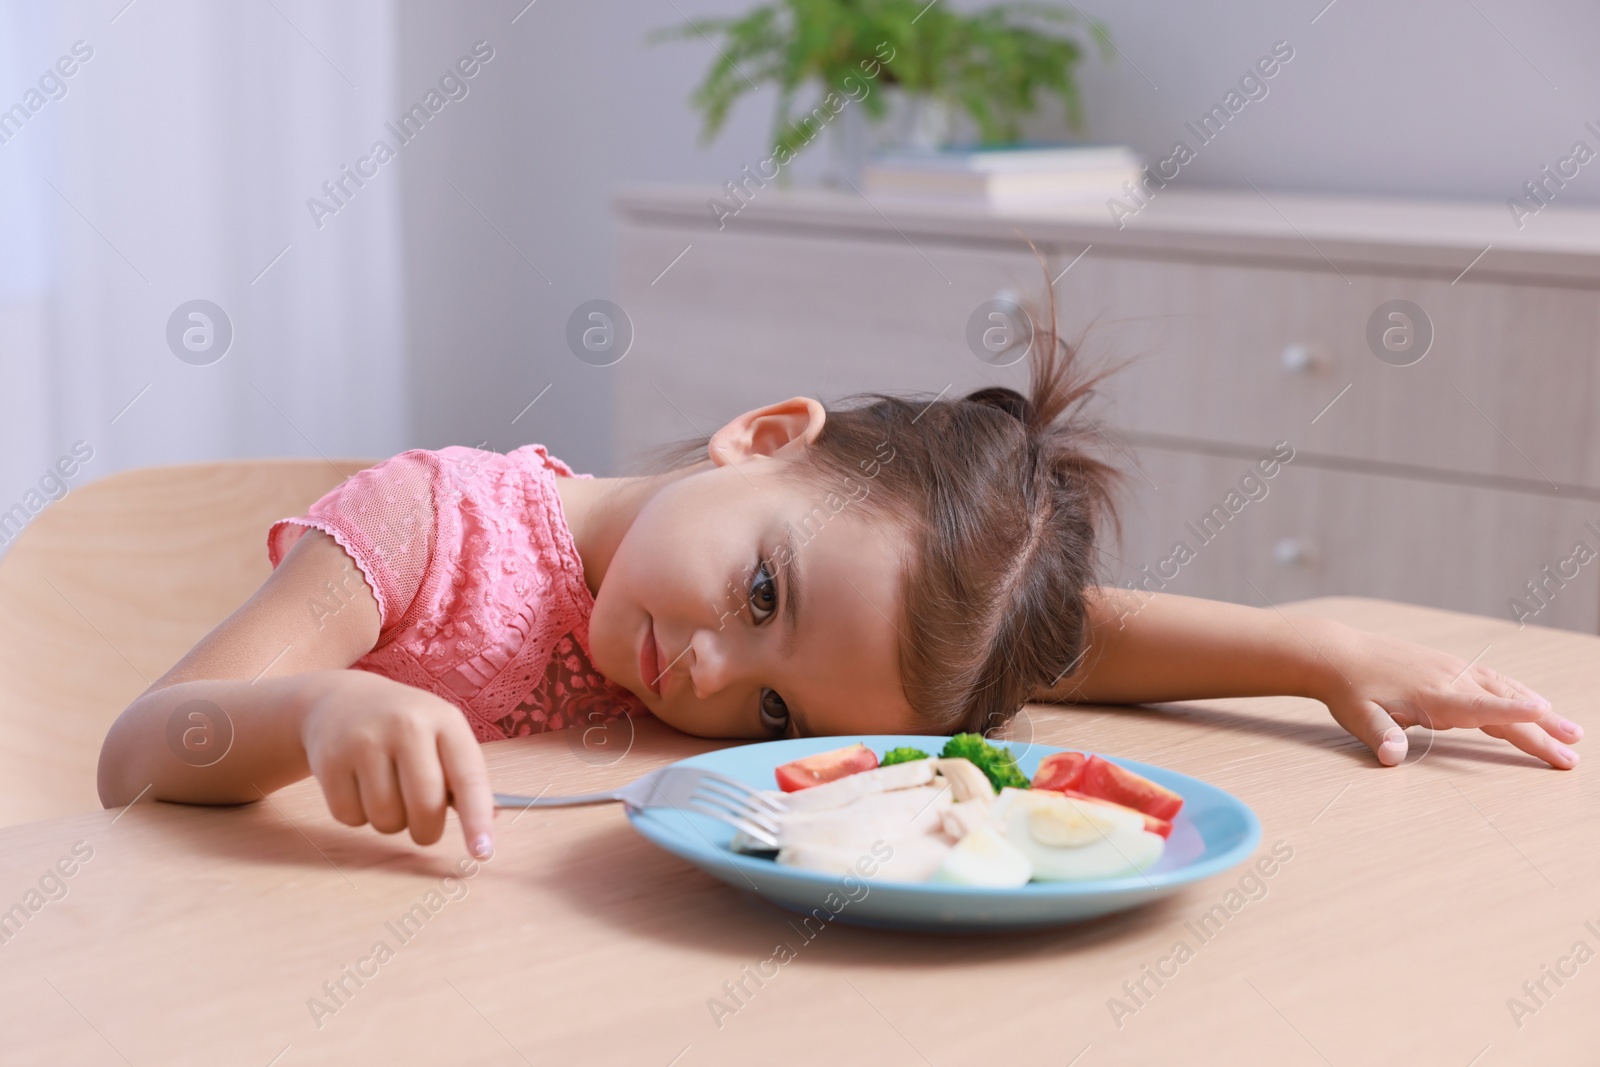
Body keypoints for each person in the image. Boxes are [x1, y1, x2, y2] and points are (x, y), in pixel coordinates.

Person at [95, 290, 1582, 864]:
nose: (708, 677)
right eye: (759, 600)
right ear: (762, 437)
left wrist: (1310, 650)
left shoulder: (833, 636)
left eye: (769, 716)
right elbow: (141, 754)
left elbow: (1052, 651)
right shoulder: (435, 530)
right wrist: (315, 717)